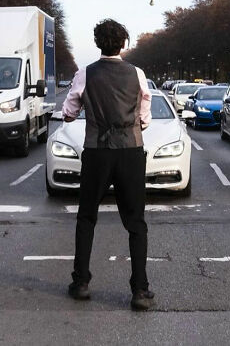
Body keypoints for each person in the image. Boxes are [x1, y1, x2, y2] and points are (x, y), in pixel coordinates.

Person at [62, 18, 154, 311]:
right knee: (135, 222)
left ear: (97, 42)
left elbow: (68, 112)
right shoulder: (137, 74)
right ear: (123, 44)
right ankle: (140, 290)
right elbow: (144, 116)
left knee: (87, 217)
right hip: (130, 150)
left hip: (97, 151)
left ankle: (81, 283)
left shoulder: (84, 74)